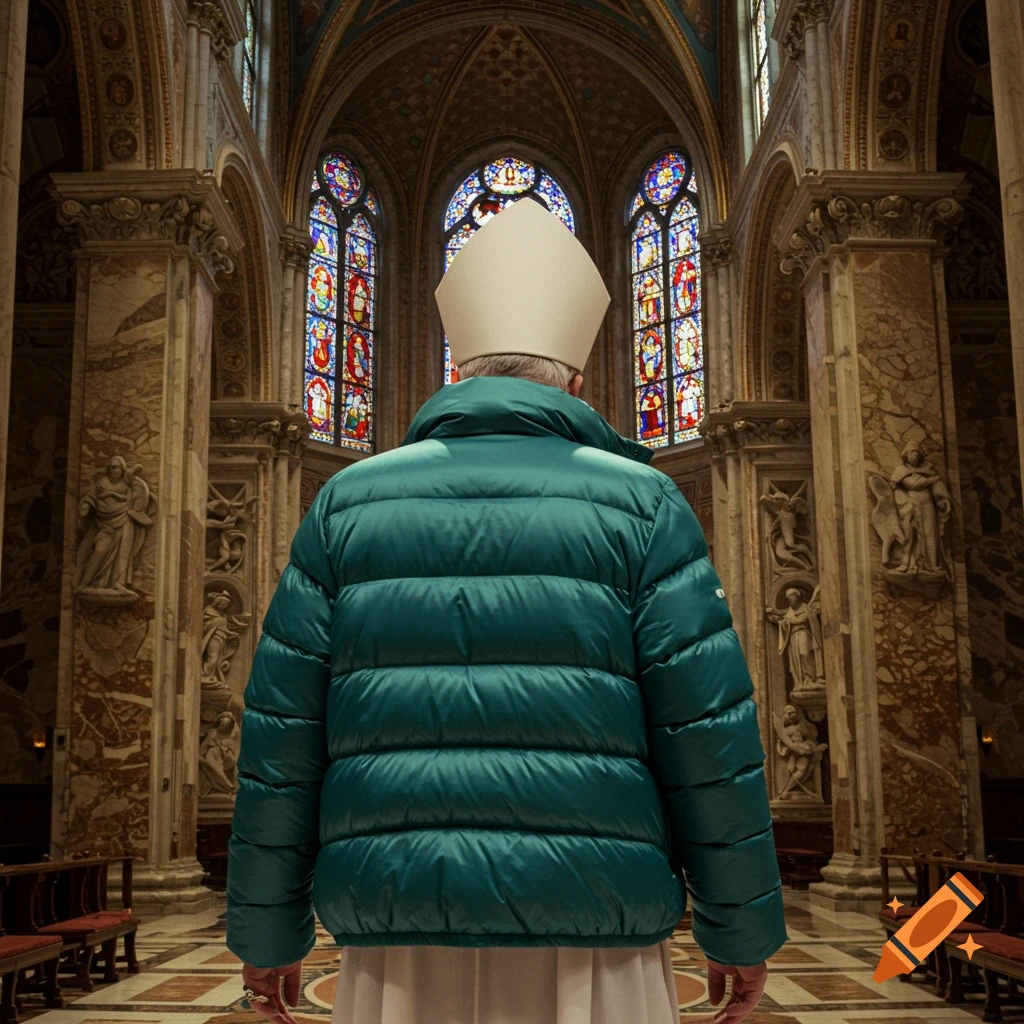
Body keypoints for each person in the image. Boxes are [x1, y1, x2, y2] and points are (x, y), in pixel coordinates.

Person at [226, 198, 786, 1024]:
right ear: (576, 381)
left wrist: (267, 928)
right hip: (597, 915)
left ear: (458, 372)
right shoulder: (645, 504)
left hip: (399, 914)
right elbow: (706, 736)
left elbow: (284, 739)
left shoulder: (347, 502)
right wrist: (739, 927)